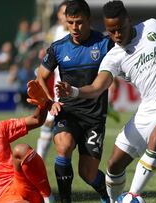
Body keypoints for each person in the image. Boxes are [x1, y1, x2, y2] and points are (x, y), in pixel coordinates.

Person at [55, 1, 156, 202]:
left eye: (120, 29)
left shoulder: (152, 26)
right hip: (147, 110)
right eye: (111, 31)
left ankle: (133, 196)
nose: (117, 35)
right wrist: (74, 91)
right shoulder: (113, 57)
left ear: (129, 20)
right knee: (114, 164)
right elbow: (96, 88)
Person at [36, 0, 113, 202]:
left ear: (89, 20)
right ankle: (65, 199)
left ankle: (108, 196)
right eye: (70, 22)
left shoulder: (105, 44)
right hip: (68, 111)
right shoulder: (58, 48)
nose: (74, 28)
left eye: (79, 22)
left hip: (94, 116)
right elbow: (41, 76)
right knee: (64, 145)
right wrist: (49, 101)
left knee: (87, 174)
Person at [37, 0, 69, 160]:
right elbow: (45, 51)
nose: (66, 17)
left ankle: (39, 159)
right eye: (63, 13)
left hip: (72, 85)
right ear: (58, 15)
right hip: (58, 84)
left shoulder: (77, 32)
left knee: (52, 122)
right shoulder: (54, 32)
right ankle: (39, 159)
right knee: (49, 121)